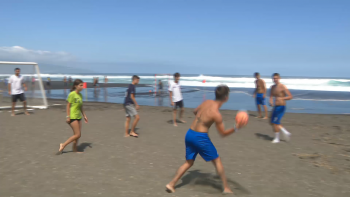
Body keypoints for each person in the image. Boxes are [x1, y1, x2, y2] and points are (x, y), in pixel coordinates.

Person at [165, 85, 244, 194]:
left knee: (189, 162)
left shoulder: (206, 102)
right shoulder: (217, 114)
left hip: (189, 134)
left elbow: (195, 111)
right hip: (200, 137)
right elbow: (223, 134)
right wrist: (236, 128)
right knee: (217, 160)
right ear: (226, 98)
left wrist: (201, 121)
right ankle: (226, 188)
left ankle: (171, 184)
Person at [56, 79, 88, 155]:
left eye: (82, 85)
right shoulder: (72, 94)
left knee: (77, 135)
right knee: (77, 134)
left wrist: (84, 116)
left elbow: (81, 107)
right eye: (80, 85)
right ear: (75, 86)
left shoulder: (80, 95)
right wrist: (68, 116)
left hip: (78, 117)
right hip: (72, 116)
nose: (82, 87)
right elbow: (68, 105)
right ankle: (63, 145)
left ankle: (75, 149)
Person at [269, 73, 293, 143]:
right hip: (276, 106)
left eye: (276, 78)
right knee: (272, 122)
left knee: (276, 122)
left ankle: (277, 139)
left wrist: (283, 98)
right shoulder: (272, 87)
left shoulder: (282, 86)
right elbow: (271, 96)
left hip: (281, 107)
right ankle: (285, 132)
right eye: (274, 78)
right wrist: (271, 101)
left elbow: (290, 96)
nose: (275, 79)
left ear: (279, 78)